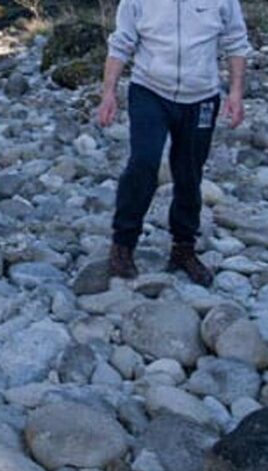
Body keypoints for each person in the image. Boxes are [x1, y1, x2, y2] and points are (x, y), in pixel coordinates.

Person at [97, 0, 252, 286]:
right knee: (143, 162)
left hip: (202, 94)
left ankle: (183, 249)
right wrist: (109, 93)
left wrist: (236, 93)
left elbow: (236, 42)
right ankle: (123, 244)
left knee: (189, 173)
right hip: (150, 90)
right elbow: (121, 43)